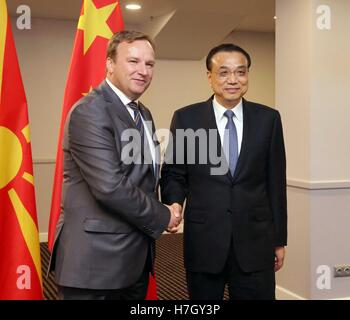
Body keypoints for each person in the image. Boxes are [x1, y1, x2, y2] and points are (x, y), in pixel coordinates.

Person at [50, 30, 181, 300]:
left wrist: (172, 203)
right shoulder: (90, 111)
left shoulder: (142, 113)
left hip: (134, 262)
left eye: (149, 64)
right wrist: (163, 215)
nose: (143, 71)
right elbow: (111, 186)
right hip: (94, 266)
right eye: (133, 61)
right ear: (110, 64)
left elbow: (143, 178)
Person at [160, 43, 287, 300]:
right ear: (210, 76)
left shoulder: (268, 119)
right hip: (205, 241)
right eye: (224, 72)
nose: (233, 80)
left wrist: (279, 239)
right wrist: (174, 203)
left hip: (255, 242)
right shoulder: (187, 118)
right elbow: (174, 172)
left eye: (241, 72)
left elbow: (276, 184)